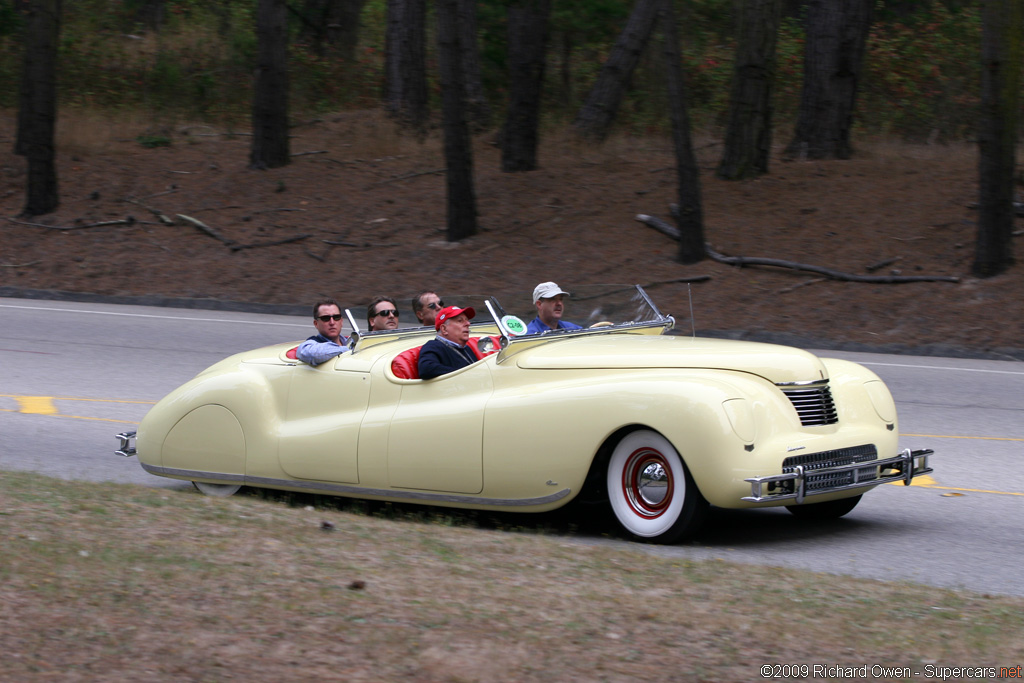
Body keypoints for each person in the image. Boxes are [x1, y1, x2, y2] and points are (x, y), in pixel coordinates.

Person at [418, 305, 477, 379]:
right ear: (444, 329)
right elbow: (426, 369)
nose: (468, 324)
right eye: (460, 321)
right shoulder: (433, 346)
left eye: (467, 320)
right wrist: (464, 375)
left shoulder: (466, 348)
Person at [296, 298, 349, 365]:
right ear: (316, 324)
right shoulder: (310, 345)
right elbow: (310, 354)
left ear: (341, 321)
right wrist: (347, 349)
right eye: (325, 318)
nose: (332, 322)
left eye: (336, 317)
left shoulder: (351, 341)